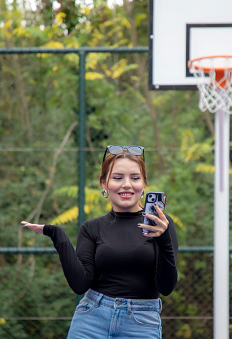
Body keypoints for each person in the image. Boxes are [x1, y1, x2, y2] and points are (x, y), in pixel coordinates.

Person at [21, 145, 178, 338]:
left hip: (141, 323)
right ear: (104, 183)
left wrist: (163, 240)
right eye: (117, 177)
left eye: (135, 178)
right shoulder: (91, 228)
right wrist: (58, 235)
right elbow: (80, 284)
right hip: (91, 319)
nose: (127, 184)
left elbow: (166, 287)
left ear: (144, 184)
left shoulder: (162, 225)